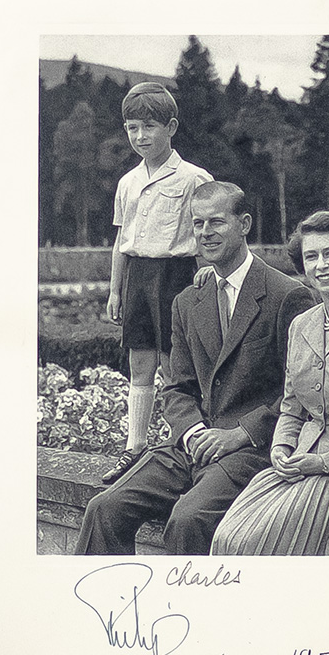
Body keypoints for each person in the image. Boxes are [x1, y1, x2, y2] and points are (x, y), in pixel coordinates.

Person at [75, 181, 316, 555]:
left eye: (216, 222)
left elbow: (298, 394)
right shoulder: (187, 301)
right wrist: (191, 432)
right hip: (190, 445)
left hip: (248, 450)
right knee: (103, 508)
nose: (205, 233)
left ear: (244, 224)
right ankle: (110, 609)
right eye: (198, 223)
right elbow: (177, 387)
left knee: (188, 520)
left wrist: (239, 434)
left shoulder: (287, 295)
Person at [211, 211, 329, 556]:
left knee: (247, 543)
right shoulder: (301, 325)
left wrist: (326, 462)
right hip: (300, 466)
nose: (321, 265)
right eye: (311, 257)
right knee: (227, 536)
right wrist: (280, 448)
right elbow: (292, 407)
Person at [100, 82, 213, 485]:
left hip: (176, 276)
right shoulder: (128, 182)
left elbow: (208, 230)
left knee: (174, 364)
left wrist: (209, 270)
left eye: (149, 126)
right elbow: (121, 241)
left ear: (171, 127)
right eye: (132, 128)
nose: (140, 136)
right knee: (140, 361)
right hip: (137, 278)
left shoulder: (193, 178)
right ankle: (134, 448)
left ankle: (174, 447)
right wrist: (115, 289)